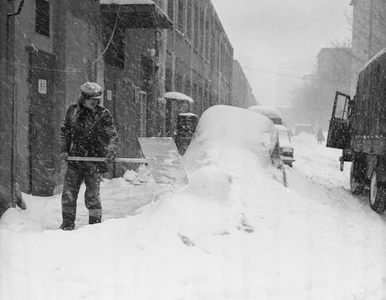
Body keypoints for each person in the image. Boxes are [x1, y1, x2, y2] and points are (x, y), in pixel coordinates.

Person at [59, 82, 119, 230]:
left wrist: (110, 151)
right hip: (75, 160)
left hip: (94, 161)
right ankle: (67, 224)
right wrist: (63, 150)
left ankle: (95, 227)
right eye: (92, 99)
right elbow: (65, 132)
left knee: (92, 197)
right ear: (83, 98)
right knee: (68, 195)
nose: (95, 102)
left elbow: (113, 136)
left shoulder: (103, 114)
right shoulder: (73, 111)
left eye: (97, 99)